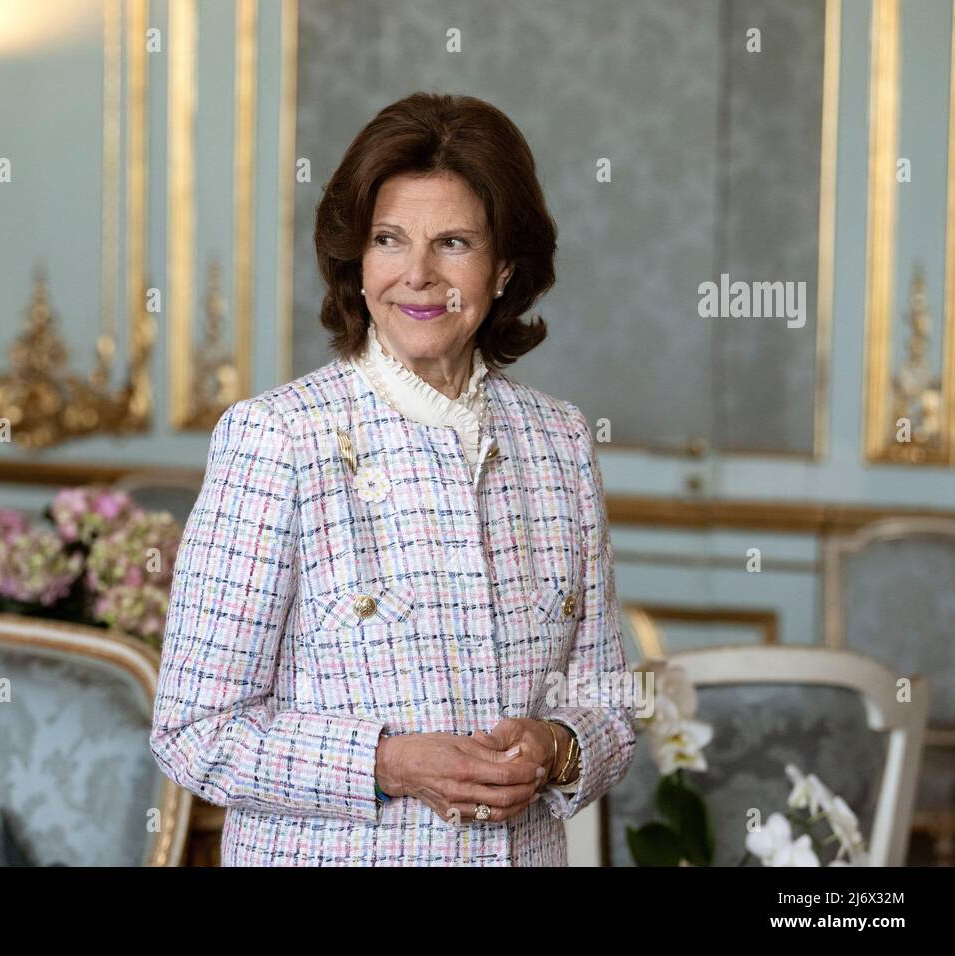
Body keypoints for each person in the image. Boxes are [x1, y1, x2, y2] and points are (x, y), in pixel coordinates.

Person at [150, 91, 636, 865]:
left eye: (453, 243)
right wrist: (387, 764)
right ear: (358, 258)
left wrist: (559, 746)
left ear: (504, 268)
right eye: (388, 240)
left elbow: (612, 703)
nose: (417, 274)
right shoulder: (277, 438)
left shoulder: (561, 441)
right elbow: (194, 734)